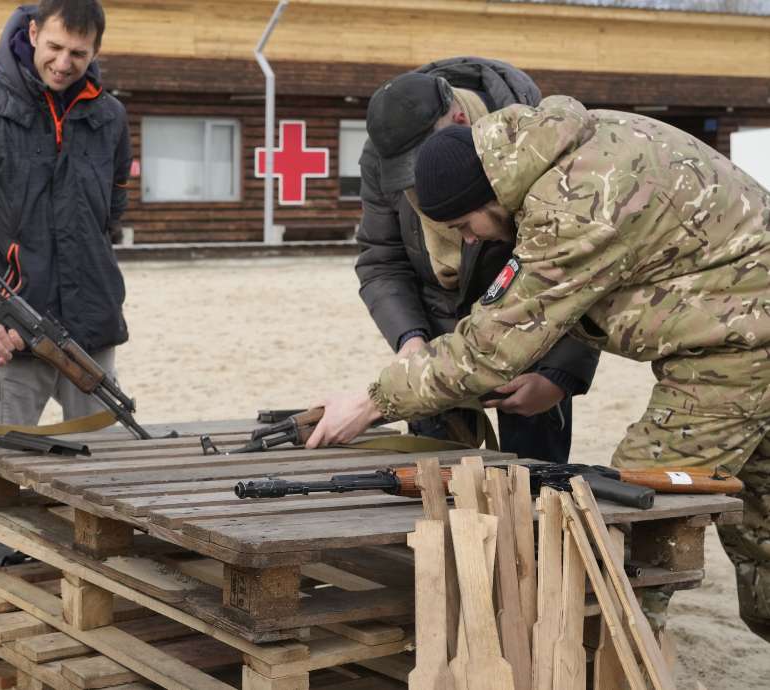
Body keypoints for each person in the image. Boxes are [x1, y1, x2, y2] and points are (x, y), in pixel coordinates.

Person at [307, 95, 770, 642]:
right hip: (738, 326)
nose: (471, 239)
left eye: (465, 223)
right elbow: (607, 278)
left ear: (489, 194)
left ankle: (607, 660)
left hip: (739, 349)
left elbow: (488, 348)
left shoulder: (575, 202)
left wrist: (369, 402)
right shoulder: (547, 152)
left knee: (631, 523)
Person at [355, 60, 598, 461]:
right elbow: (382, 259)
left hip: (532, 331)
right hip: (435, 335)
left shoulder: (539, 138)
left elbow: (581, 268)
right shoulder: (386, 151)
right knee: (432, 480)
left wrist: (559, 375)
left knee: (536, 486)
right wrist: (410, 337)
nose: (423, 181)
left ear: (461, 117)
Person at [0, 0, 132, 429]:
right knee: (3, 473)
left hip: (92, 328)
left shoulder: (113, 118)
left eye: (78, 54)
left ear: (95, 51)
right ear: (33, 33)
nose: (63, 63)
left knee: (107, 472)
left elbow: (111, 215)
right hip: (11, 334)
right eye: (55, 46)